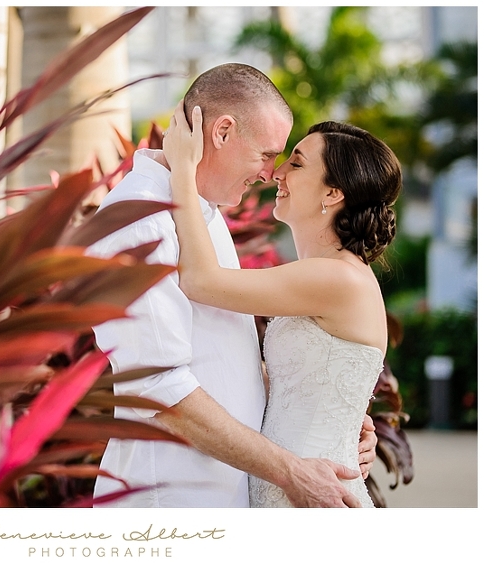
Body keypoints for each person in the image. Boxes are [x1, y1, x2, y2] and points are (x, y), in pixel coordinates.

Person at [89, 63, 377, 508]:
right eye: (266, 154)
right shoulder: (137, 222)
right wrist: (290, 470)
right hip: (171, 500)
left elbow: (226, 361)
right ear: (222, 132)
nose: (271, 173)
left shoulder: (202, 214)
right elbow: (159, 390)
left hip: (226, 496)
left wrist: (331, 413)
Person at [162, 98, 401, 507]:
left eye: (297, 163)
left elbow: (201, 281)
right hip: (292, 487)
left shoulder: (338, 277)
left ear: (332, 193)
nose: (277, 172)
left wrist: (182, 170)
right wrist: (345, 420)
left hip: (312, 496)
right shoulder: (329, 274)